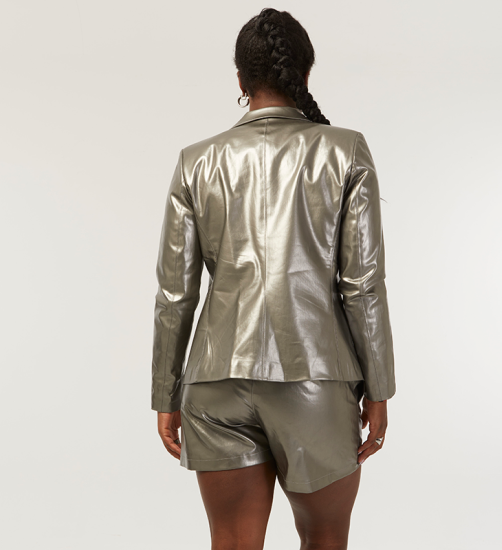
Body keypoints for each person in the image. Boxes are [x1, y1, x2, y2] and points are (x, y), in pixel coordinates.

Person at [151, 7, 396, 550]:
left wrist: (164, 394)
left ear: (240, 80)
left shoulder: (196, 162)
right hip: (316, 378)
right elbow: (362, 285)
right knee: (324, 538)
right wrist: (380, 389)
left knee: (233, 542)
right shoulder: (345, 150)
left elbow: (175, 295)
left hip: (214, 382)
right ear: (305, 74)